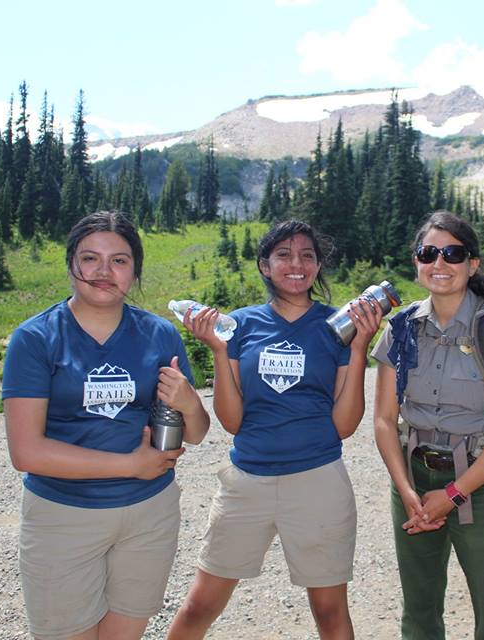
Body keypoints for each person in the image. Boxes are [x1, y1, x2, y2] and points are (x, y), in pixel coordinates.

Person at [167, 220, 382, 640]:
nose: (296, 264)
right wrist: (218, 349)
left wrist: (359, 348)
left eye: (307, 255)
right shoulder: (239, 327)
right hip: (247, 481)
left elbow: (344, 425)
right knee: (200, 604)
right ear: (265, 266)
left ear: (318, 266)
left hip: (318, 480)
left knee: (329, 611)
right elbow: (232, 421)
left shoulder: (337, 327)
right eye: (283, 255)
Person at [2, 210, 210, 640]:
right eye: (90, 258)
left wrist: (190, 403)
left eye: (119, 260)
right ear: (70, 264)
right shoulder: (35, 338)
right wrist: (131, 465)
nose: (103, 271)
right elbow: (26, 452)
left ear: (134, 271)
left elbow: (196, 433)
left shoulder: (160, 334)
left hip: (149, 514)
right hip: (63, 514)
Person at [372, 211, 484, 640]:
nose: (439, 263)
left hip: (482, 483)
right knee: (419, 613)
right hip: (413, 479)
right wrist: (407, 491)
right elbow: (385, 420)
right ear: (416, 262)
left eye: (453, 253)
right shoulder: (401, 327)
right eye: (428, 253)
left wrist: (454, 494)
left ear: (472, 264)